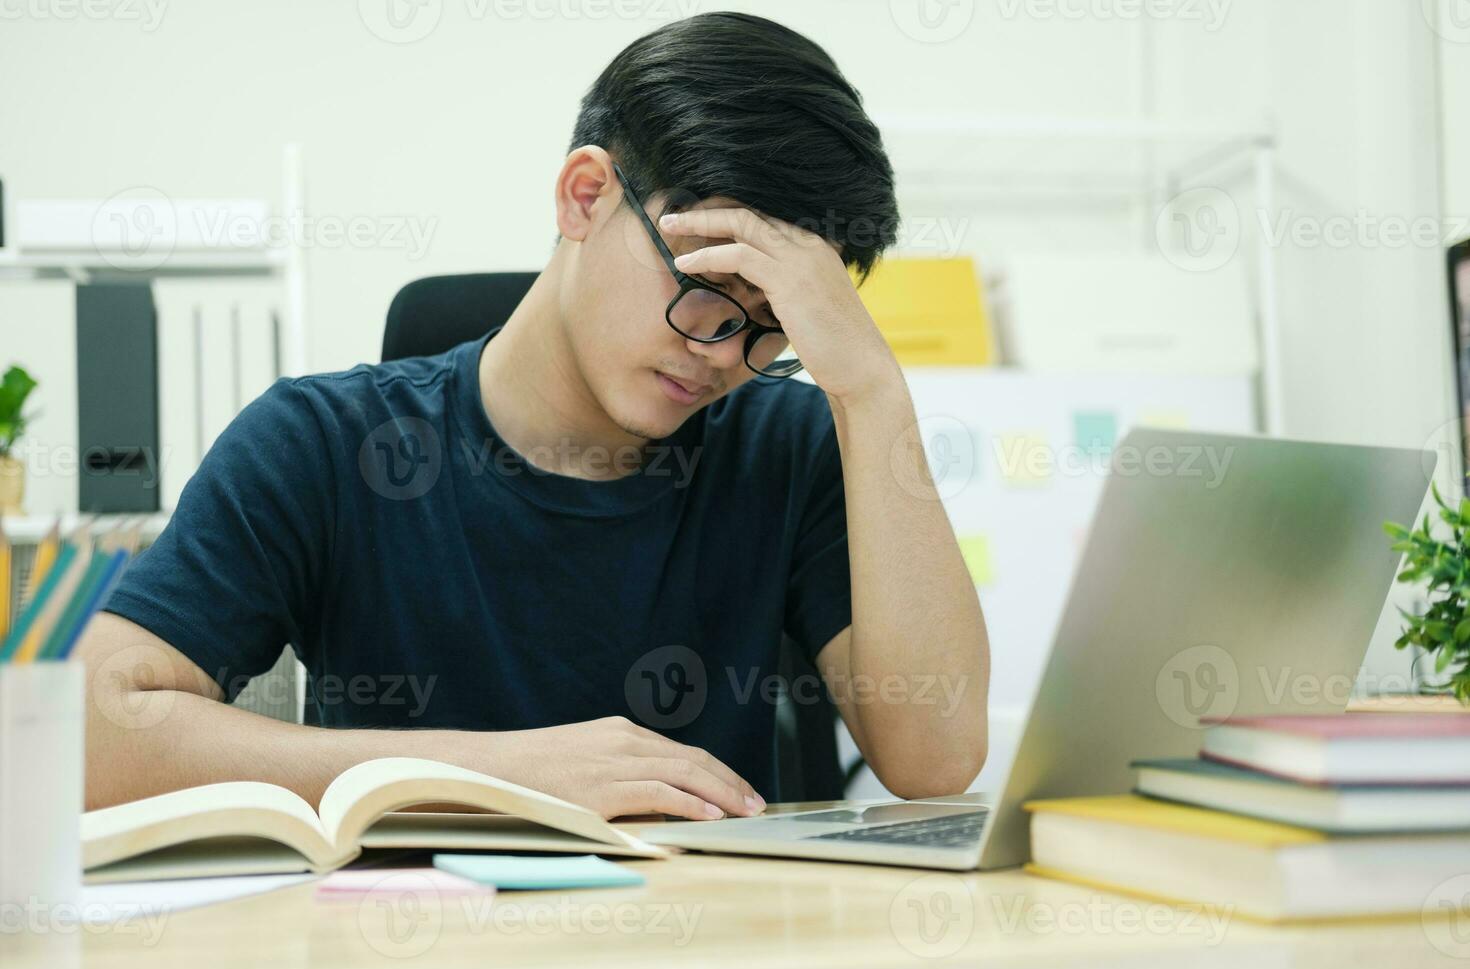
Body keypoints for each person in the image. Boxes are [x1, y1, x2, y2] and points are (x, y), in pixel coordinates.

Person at [82, 12, 989, 820]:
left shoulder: (785, 444)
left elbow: (937, 763)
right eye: (707, 292)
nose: (721, 353)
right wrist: (491, 775)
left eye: (771, 326)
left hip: (712, 942)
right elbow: (89, 736)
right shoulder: (322, 443)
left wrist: (870, 386)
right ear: (586, 195)